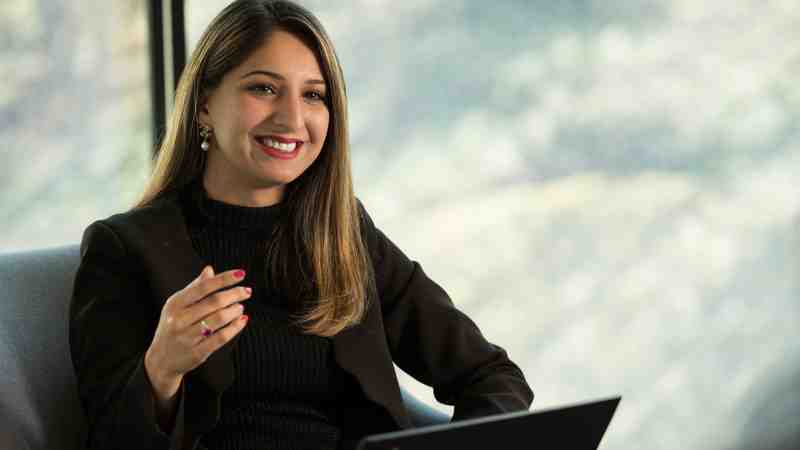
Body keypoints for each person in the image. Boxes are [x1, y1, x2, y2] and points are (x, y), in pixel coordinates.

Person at [68, 1, 533, 449]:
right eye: (263, 88)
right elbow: (107, 438)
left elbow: (492, 379)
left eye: (313, 95)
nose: (292, 118)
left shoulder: (345, 233)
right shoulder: (125, 249)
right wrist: (162, 370)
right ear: (204, 104)